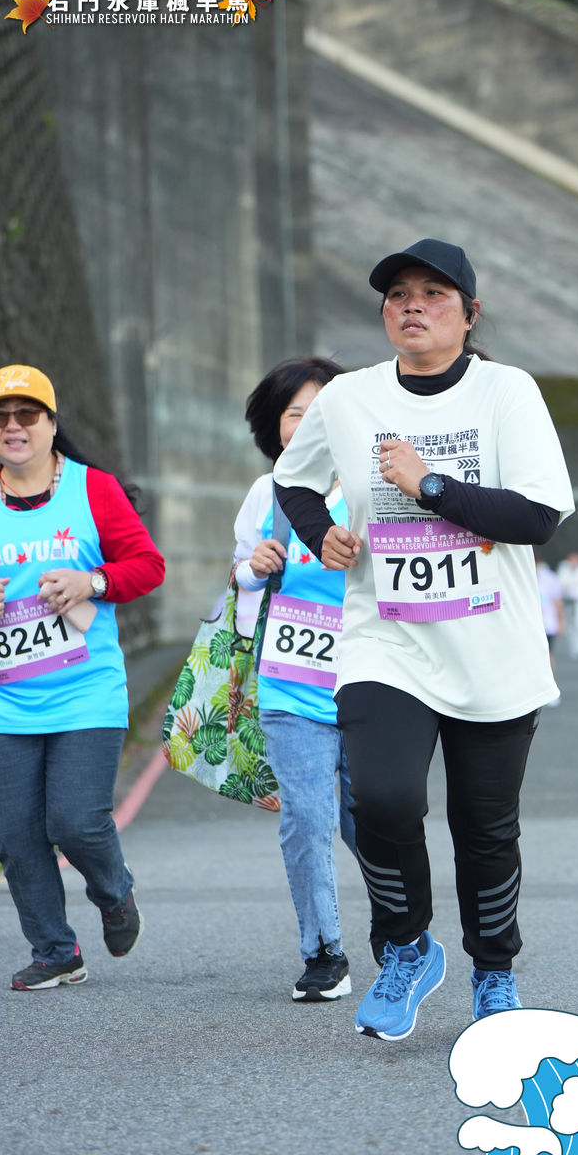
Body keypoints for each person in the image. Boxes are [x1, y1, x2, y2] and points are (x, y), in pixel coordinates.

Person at [273, 238, 574, 1039]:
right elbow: (292, 479)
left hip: (492, 648)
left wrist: (428, 484)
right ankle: (405, 949)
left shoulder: (507, 393)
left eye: (434, 293)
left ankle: (493, 973)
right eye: (398, 293)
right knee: (380, 798)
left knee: (484, 830)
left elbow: (536, 516)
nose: (412, 304)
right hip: (386, 641)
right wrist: (320, 534)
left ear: (469, 314)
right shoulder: (348, 399)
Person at [0, 364, 165, 990]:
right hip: (8, 700)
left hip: (85, 689)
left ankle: (114, 891)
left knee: (75, 820)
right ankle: (55, 951)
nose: (13, 427)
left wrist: (91, 581)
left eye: (27, 415)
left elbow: (147, 565)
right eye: (1, 418)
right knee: (15, 834)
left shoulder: (93, 490)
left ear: (50, 424)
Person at [232, 357, 357, 1002]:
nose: (306, 424)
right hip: (290, 685)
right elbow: (240, 580)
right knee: (307, 820)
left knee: (374, 822)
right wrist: (252, 567)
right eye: (293, 413)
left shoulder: (370, 486)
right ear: (274, 426)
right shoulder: (267, 493)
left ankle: (402, 935)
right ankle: (323, 952)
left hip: (369, 684)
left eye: (320, 412)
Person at [535, 551, 564, 705]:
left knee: (548, 655)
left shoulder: (549, 578)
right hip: (529, 625)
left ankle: (551, 689)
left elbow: (557, 601)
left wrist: (561, 622)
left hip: (547, 624)